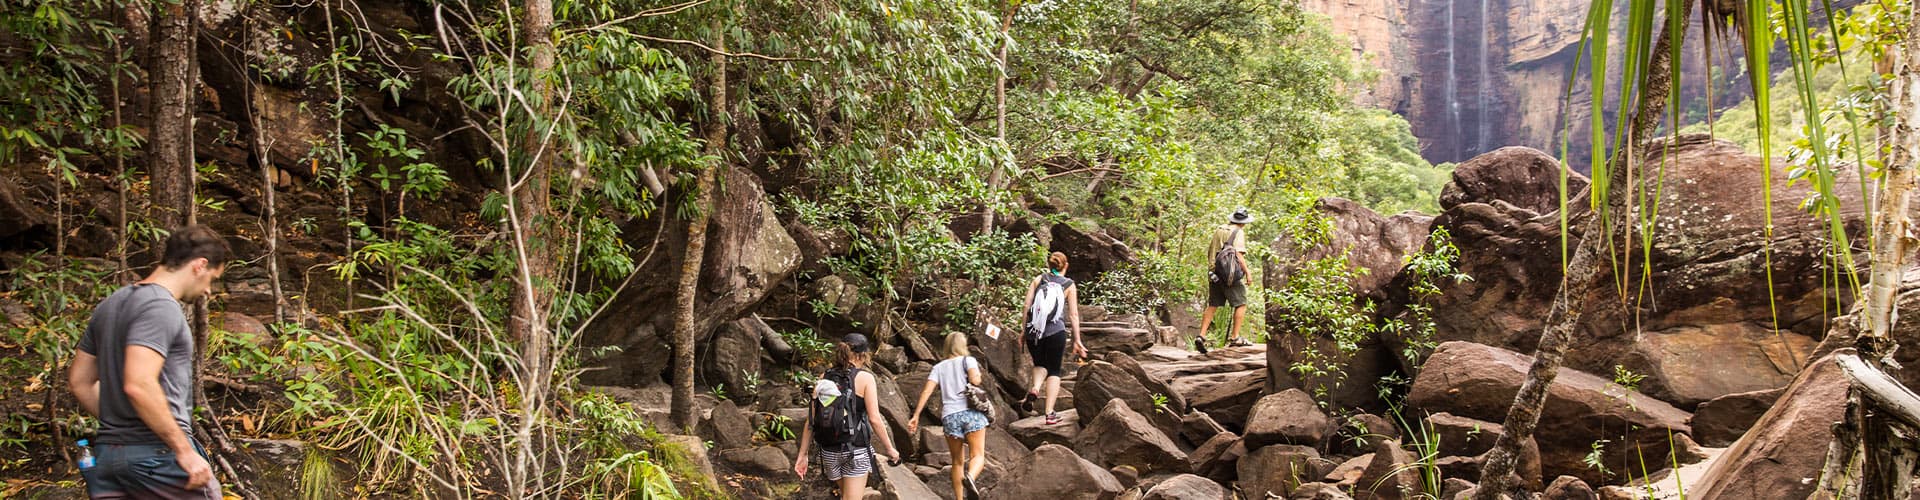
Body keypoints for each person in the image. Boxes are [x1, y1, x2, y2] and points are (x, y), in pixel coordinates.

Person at [68, 225, 230, 499]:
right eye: (212, 279)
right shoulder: (160, 307)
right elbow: (139, 383)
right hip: (157, 457)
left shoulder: (111, 304)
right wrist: (184, 451)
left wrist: (121, 431)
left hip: (109, 458)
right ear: (200, 265)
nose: (208, 291)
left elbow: (80, 382)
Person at [794, 334, 901, 500]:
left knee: (846, 495)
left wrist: (803, 455)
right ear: (863, 355)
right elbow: (874, 419)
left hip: (829, 451)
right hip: (855, 449)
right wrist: (890, 449)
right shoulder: (865, 378)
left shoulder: (825, 377)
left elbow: (811, 420)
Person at [907, 333, 989, 500]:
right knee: (978, 455)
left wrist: (916, 415)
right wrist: (976, 376)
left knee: (957, 462)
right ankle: (971, 478)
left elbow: (927, 391)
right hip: (971, 413)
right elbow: (976, 381)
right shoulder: (969, 360)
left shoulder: (939, 367)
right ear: (962, 345)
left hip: (950, 417)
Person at [1018, 252, 1086, 425]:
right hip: (1056, 332)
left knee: (1040, 364)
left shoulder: (1038, 279)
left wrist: (1023, 331)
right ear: (1066, 265)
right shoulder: (1069, 285)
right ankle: (1049, 413)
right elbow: (1074, 314)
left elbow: (1027, 306)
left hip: (1034, 332)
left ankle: (1035, 388)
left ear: (1050, 265)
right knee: (1054, 370)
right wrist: (1077, 340)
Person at [1196, 208, 1255, 354]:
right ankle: (1235, 338)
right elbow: (1239, 256)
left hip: (1215, 273)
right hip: (1230, 275)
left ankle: (1201, 336)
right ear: (1243, 222)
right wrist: (1248, 273)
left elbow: (1211, 251)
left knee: (1213, 304)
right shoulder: (1238, 232)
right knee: (1241, 303)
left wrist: (1212, 270)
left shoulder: (1219, 230)